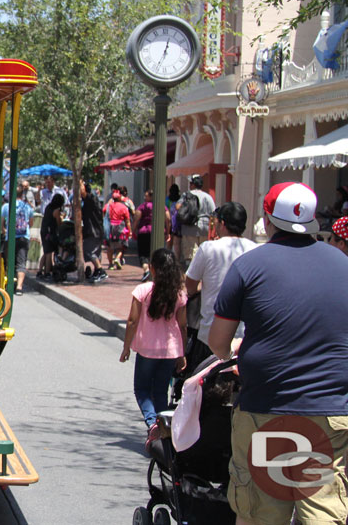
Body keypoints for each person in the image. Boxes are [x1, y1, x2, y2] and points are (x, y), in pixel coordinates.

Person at [209, 182, 348, 525]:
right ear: (314, 220)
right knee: (323, 516)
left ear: (268, 220)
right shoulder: (343, 265)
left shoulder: (248, 267)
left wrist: (235, 350)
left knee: (260, 514)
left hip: (267, 412)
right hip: (329, 415)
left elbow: (218, 343)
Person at [183, 201, 256, 373]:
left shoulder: (208, 248)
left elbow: (190, 284)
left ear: (222, 223)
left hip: (210, 335)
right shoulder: (255, 250)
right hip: (243, 337)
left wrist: (198, 292)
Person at [120, 248, 187, 432]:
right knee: (160, 391)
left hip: (147, 349)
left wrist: (126, 347)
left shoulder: (143, 290)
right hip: (170, 350)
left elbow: (132, 321)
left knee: (141, 389)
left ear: (153, 269)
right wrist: (182, 353)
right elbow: (182, 325)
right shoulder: (179, 294)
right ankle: (164, 428)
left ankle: (152, 423)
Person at [176, 174, 215, 265]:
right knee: (203, 253)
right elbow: (213, 213)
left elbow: (178, 207)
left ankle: (192, 275)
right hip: (204, 227)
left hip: (189, 227)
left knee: (191, 255)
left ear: (193, 184)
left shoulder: (186, 195)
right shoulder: (207, 197)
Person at [3, 185, 34, 294]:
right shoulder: (27, 207)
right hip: (24, 237)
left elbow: (2, 222)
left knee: (9, 261)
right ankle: (19, 287)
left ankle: (8, 284)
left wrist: (4, 231)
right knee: (21, 262)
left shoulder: (7, 206)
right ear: (22, 194)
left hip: (10, 237)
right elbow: (31, 223)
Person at [80, 180, 107, 283]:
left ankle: (100, 270)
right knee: (96, 252)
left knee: (89, 251)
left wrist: (80, 182)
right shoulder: (88, 201)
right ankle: (96, 271)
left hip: (93, 231)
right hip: (96, 230)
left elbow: (83, 192)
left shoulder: (91, 199)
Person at [133, 190, 158, 282]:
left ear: (151, 197)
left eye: (146, 196)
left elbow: (136, 217)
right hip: (155, 232)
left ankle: (146, 269)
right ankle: (154, 273)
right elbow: (167, 217)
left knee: (143, 254)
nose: (144, 197)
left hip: (144, 232)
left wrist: (133, 230)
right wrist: (167, 231)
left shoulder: (143, 206)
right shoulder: (160, 206)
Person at [104, 190, 132, 270]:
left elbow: (103, 212)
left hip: (110, 228)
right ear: (119, 198)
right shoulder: (124, 207)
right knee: (121, 247)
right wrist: (130, 231)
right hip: (121, 229)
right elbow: (127, 221)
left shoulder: (108, 206)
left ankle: (110, 264)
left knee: (109, 247)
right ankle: (117, 258)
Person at [40, 193, 66, 276]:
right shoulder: (56, 210)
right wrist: (62, 218)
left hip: (44, 230)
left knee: (45, 251)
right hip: (49, 232)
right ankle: (47, 272)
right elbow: (59, 222)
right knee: (49, 252)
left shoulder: (48, 207)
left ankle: (40, 271)